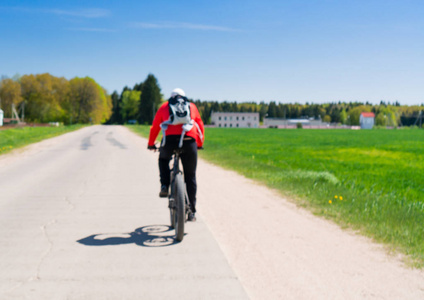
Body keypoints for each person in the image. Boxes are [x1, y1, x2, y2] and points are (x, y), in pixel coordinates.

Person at [147, 88, 204, 221]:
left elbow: (155, 127)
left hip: (169, 141)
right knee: (190, 176)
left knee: (163, 159)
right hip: (189, 141)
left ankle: (164, 185)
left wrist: (151, 144)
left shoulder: (164, 107)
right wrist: (199, 144)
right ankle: (192, 212)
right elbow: (200, 126)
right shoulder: (192, 107)